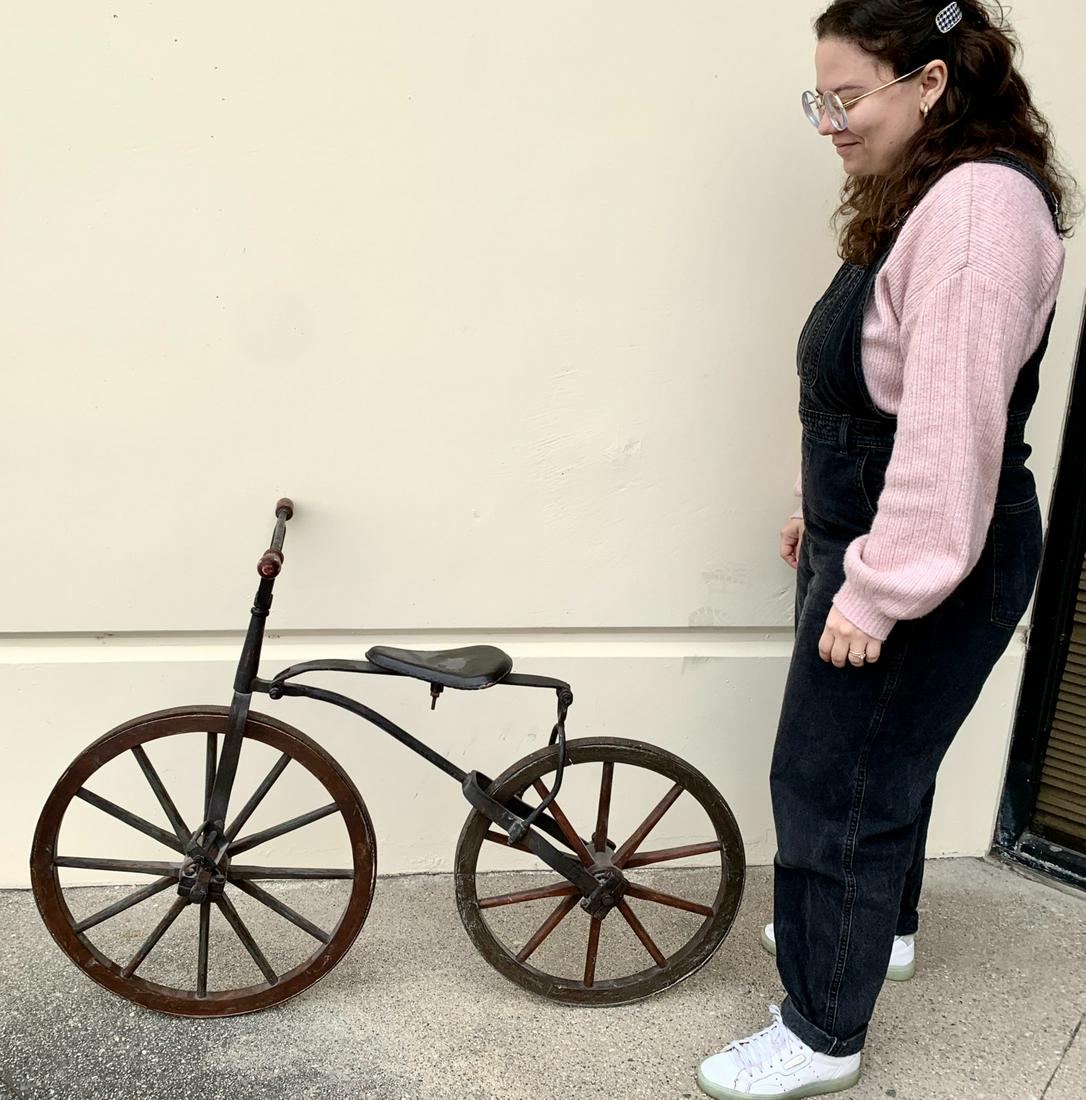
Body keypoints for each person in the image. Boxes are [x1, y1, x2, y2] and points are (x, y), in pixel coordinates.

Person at [696, 2, 1078, 1097]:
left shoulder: (974, 216)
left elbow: (953, 430)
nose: (829, 121)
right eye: (819, 97)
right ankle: (885, 930)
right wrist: (826, 516)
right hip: (881, 526)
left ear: (929, 83)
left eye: (846, 96)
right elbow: (893, 392)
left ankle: (821, 1030)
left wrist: (879, 583)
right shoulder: (936, 194)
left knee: (832, 782)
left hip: (926, 553)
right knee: (883, 761)